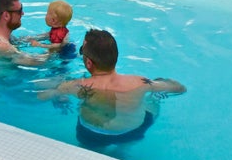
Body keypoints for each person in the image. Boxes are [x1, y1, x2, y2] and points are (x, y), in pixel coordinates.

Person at [39, 29, 186, 146]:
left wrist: (58, 87)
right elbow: (179, 88)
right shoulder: (139, 82)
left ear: (89, 63)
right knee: (152, 102)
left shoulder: (77, 85)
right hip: (133, 130)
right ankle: (123, 151)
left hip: (92, 133)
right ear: (115, 57)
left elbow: (42, 96)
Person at [0, 0, 47, 65]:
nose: (23, 13)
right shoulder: (2, 45)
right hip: (10, 76)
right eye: (19, 11)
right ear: (6, 15)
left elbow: (19, 41)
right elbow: (35, 61)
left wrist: (47, 35)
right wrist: (56, 49)